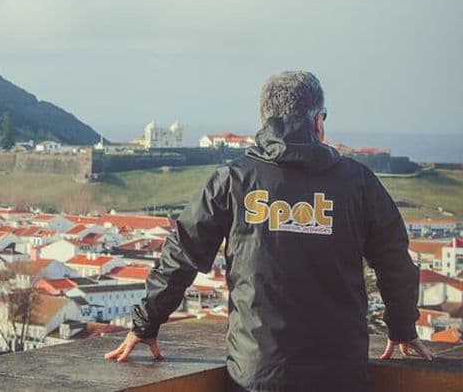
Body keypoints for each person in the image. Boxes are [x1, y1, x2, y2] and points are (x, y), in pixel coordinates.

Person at [104, 71, 432, 391]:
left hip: (256, 372)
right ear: (318, 121)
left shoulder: (232, 180)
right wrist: (402, 327)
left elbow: (183, 253)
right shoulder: (358, 182)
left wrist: (146, 323)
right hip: (340, 371)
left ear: (265, 120)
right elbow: (394, 261)